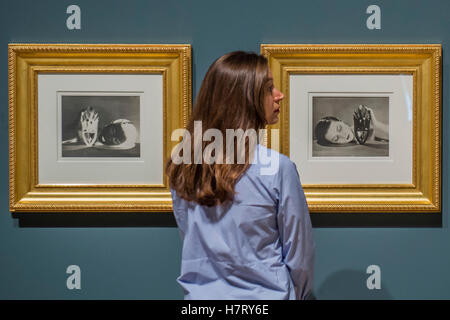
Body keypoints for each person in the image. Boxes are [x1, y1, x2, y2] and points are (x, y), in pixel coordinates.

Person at [166, 51, 314, 300]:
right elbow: (300, 259)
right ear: (244, 98)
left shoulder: (184, 166)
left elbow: (190, 239)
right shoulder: (278, 168)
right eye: (269, 89)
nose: (280, 95)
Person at [314, 105, 389, 146]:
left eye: (339, 128)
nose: (343, 136)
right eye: (336, 138)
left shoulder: (369, 129)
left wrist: (376, 125)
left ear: (341, 121)